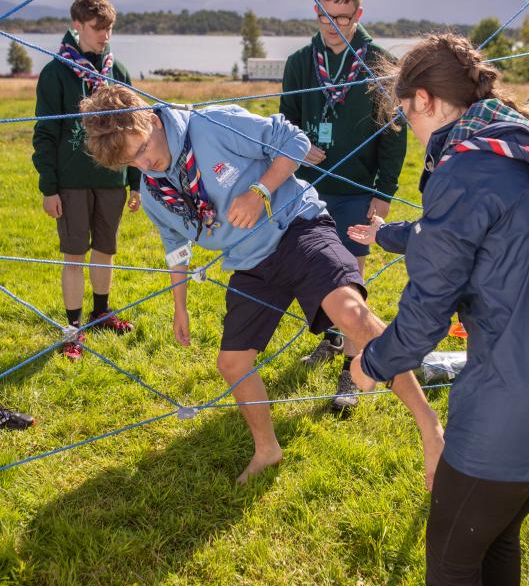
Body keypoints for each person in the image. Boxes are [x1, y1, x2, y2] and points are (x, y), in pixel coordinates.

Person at [79, 84, 443, 484]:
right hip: (250, 264)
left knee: (352, 313)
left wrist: (259, 191)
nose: (145, 163)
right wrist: (179, 306)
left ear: (148, 117)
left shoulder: (211, 123)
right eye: (131, 161)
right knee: (231, 364)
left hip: (297, 230)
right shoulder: (153, 191)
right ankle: (268, 449)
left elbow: (294, 141)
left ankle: (429, 426)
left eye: (142, 147)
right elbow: (176, 247)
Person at [350, 34, 529, 586]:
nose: (408, 126)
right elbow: (461, 232)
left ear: (424, 100)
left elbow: (426, 313)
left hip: (511, 398)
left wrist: (371, 363)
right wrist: (388, 234)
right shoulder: (509, 144)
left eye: (405, 112)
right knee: (494, 539)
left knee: (452, 558)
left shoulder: (464, 166)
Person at [280, 0, 407, 410]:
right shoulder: (299, 63)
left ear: (359, 15)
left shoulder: (378, 63)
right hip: (309, 189)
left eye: (343, 19)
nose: (333, 28)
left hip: (356, 189)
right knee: (314, 272)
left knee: (351, 278)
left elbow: (395, 135)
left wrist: (384, 192)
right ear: (315, 10)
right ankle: (331, 339)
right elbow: (286, 121)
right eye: (324, 17)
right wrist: (299, 146)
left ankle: (350, 374)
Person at [32, 0, 142, 360]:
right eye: (98, 28)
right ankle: (73, 329)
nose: (105, 36)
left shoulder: (119, 72)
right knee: (74, 254)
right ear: (77, 25)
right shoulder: (55, 73)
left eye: (110, 28)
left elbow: (138, 130)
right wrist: (50, 188)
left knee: (105, 250)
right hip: (71, 182)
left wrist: (136, 183)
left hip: (112, 180)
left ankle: (101, 311)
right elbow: (45, 135)